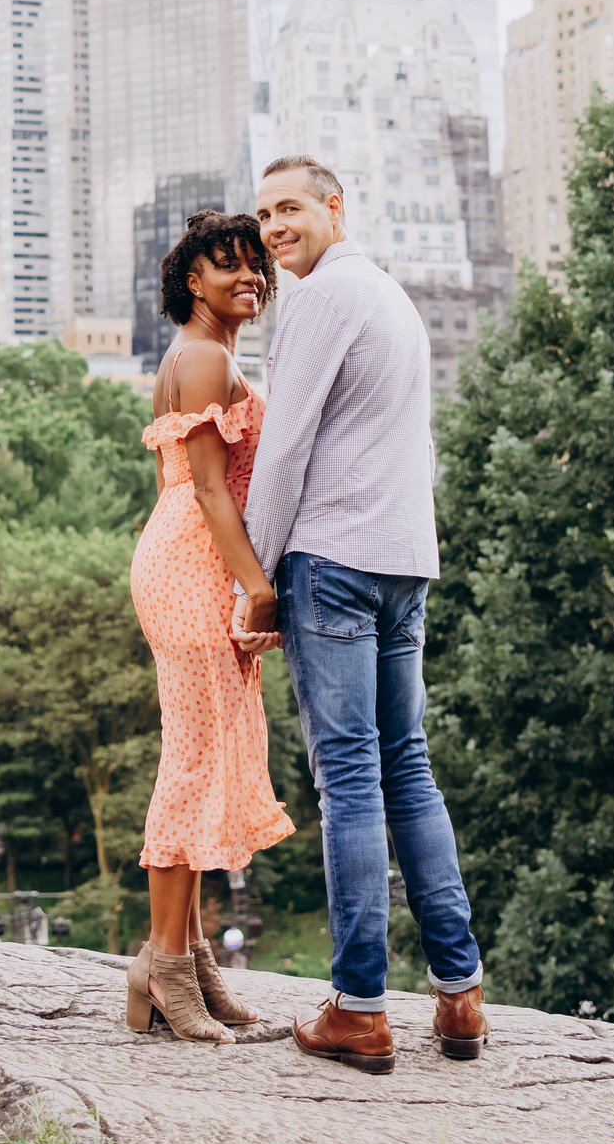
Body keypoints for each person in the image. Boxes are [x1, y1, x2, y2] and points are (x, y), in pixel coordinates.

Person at [243, 154, 487, 1074]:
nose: (273, 227)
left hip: (337, 560)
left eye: (291, 207)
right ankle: (458, 998)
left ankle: (359, 1008)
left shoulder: (320, 300)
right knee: (408, 770)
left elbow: (286, 445)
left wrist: (254, 582)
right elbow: (415, 446)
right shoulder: (392, 298)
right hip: (402, 560)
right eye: (264, 213)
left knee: (348, 779)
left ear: (335, 207)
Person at [126, 209, 298, 1045]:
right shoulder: (200, 356)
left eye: (255, 266)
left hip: (191, 561)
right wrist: (257, 587)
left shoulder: (212, 354)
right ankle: (162, 967)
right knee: (191, 765)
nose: (249, 278)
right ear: (193, 280)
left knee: (203, 758)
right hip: (193, 564)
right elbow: (206, 489)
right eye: (229, 265)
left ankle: (191, 962)